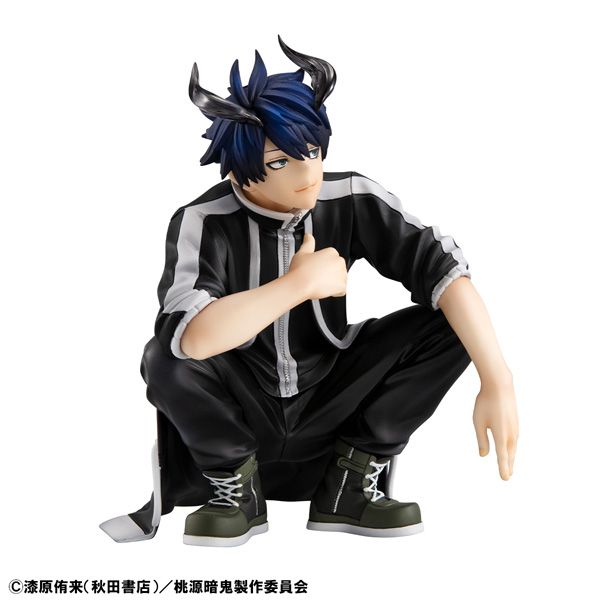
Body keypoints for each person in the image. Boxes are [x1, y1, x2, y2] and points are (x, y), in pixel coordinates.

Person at [100, 36, 519, 547]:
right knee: (164, 356)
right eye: (280, 162)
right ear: (235, 168)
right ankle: (235, 490)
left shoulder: (350, 196)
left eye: (313, 152)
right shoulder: (203, 220)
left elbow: (446, 271)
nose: (308, 174)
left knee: (456, 324)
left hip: (332, 393)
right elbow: (192, 338)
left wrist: (497, 379)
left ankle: (349, 485)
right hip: (241, 401)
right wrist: (298, 285)